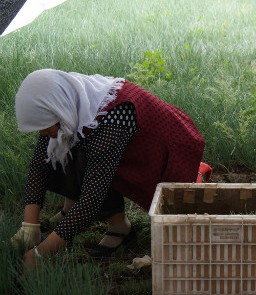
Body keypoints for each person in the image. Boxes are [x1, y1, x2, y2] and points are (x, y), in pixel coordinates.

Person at [10, 69, 207, 266]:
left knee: (87, 161)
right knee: (66, 147)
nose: (43, 133)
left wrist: (41, 254)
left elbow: (91, 200)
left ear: (57, 109)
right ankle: (77, 213)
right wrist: (29, 226)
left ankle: (119, 229)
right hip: (120, 145)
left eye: (45, 126)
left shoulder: (112, 116)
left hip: (165, 151)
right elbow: (39, 164)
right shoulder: (68, 105)